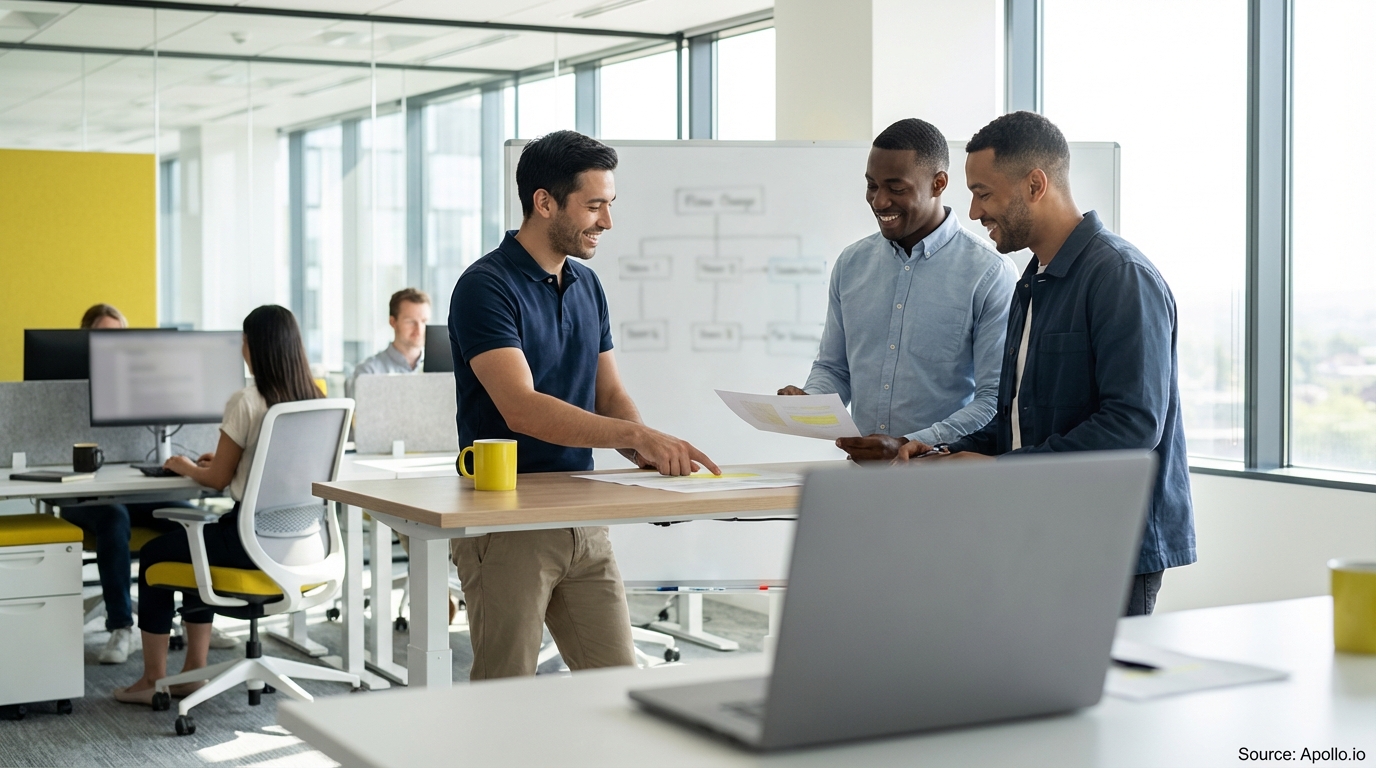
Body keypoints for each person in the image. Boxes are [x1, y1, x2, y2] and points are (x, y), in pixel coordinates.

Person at [896, 111, 1196, 616]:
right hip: (1041, 531)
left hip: (1111, 546)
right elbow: (1019, 418)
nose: (973, 211)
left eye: (984, 193)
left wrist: (996, 470)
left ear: (1035, 184)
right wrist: (944, 450)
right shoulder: (1031, 281)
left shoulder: (1121, 277)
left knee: (1100, 696)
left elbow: (1133, 425)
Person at [449, 130, 720, 680]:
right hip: (510, 522)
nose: (607, 222)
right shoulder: (486, 286)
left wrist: (643, 440)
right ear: (544, 202)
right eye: (594, 205)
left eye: (610, 205)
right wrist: (636, 437)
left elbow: (610, 392)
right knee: (506, 693)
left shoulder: (587, 284)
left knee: (616, 683)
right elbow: (521, 407)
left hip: (582, 515)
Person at [113, 305, 321, 704]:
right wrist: (231, 461)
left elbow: (217, 479)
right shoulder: (314, 399)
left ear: (252, 346)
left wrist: (186, 465)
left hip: (248, 543)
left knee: (158, 555)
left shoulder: (247, 400)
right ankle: (193, 671)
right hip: (299, 543)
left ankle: (150, 679)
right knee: (196, 546)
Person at [777, 119, 1017, 461]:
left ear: (938, 184)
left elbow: (994, 400)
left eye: (896, 188)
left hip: (943, 476)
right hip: (861, 477)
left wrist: (911, 441)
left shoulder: (990, 273)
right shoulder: (851, 264)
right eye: (872, 186)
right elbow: (835, 368)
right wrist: (810, 401)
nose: (879, 201)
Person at [60, 303, 235, 665]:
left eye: (120, 336)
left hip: (140, 492)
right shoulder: (67, 388)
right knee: (113, 519)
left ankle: (195, 621)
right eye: (103, 337)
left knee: (197, 524)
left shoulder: (140, 381)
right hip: (86, 496)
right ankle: (121, 626)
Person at [345, 287, 431, 398]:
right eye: (410, 322)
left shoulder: (443, 372)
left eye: (424, 321)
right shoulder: (368, 372)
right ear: (393, 322)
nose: (419, 330)